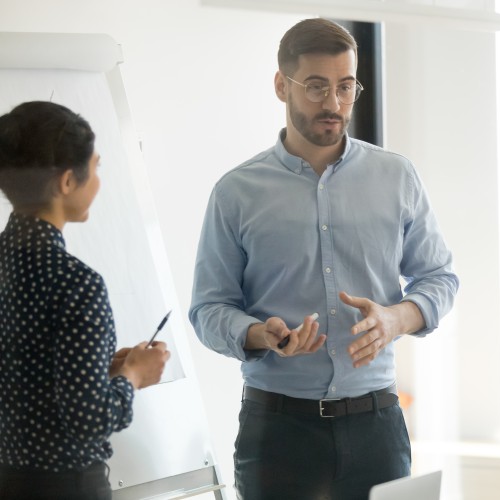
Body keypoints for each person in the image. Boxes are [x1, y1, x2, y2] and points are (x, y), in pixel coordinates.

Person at [189, 18, 458, 500]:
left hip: (377, 425)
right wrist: (259, 334)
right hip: (276, 431)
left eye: (345, 86)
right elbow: (208, 309)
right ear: (281, 85)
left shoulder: (397, 177)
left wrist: (396, 319)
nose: (334, 104)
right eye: (316, 87)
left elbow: (439, 277)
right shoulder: (236, 192)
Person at [0, 101, 171, 499]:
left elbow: (25, 376)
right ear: (65, 183)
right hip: (67, 486)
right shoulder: (76, 283)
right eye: (95, 167)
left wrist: (98, 372)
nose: (98, 180)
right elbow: (90, 419)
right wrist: (134, 375)